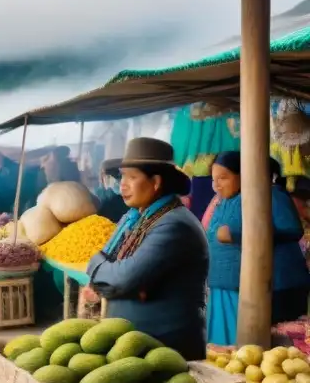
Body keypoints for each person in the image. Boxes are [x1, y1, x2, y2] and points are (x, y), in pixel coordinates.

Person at [84, 138, 209, 360]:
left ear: (156, 182)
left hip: (165, 349)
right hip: (135, 346)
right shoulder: (134, 218)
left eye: (132, 177)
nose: (123, 184)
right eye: (122, 176)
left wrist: (95, 265)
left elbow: (124, 277)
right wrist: (107, 274)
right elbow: (116, 270)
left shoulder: (174, 225)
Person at [205, 152, 310, 345]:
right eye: (214, 180)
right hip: (229, 285)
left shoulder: (271, 194)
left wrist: (239, 235)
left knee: (272, 345)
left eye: (223, 178)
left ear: (244, 174)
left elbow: (292, 230)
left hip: (279, 284)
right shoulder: (224, 201)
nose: (216, 185)